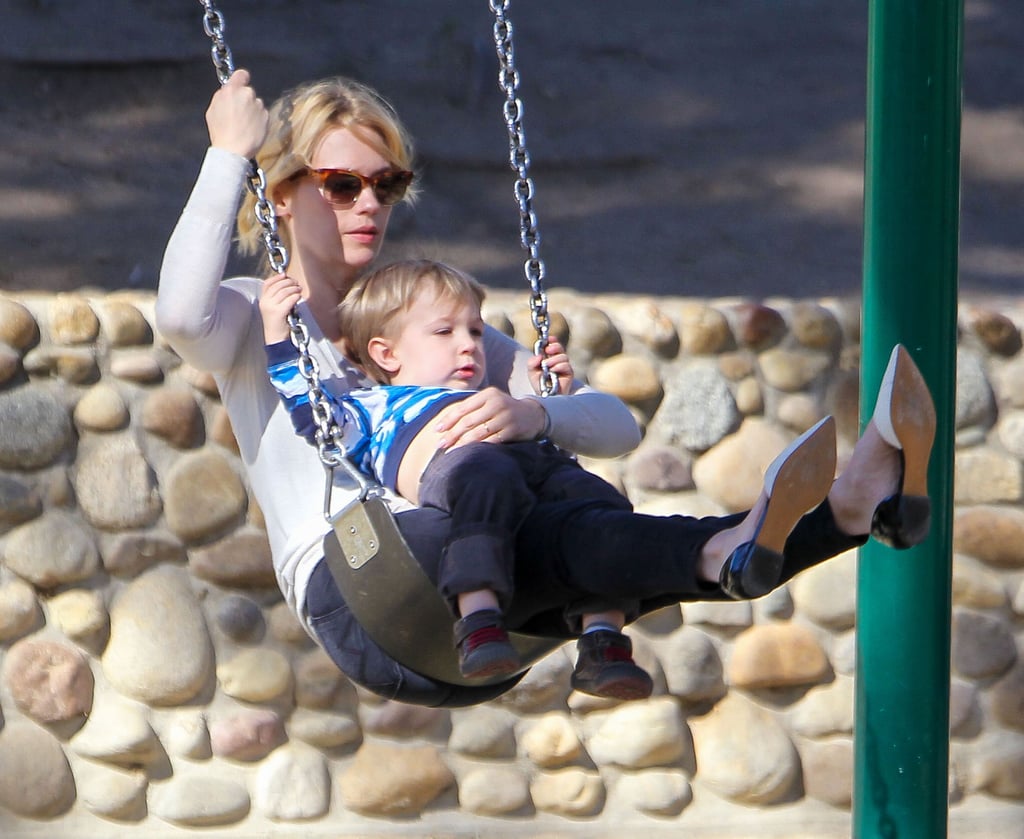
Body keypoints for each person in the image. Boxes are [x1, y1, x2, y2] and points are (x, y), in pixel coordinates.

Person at [157, 70, 938, 708]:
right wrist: (228, 151)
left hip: (483, 608)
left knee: (584, 525)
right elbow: (178, 314)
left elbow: (614, 426)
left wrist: (534, 408)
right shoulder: (251, 318)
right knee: (528, 517)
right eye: (339, 184)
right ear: (281, 193)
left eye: (386, 184)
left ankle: (836, 513)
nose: (369, 204)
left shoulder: (433, 328)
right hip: (366, 589)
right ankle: (775, 531)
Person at [261, 258, 655, 698]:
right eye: (446, 332)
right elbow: (314, 416)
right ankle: (479, 620)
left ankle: (603, 640)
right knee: (486, 479)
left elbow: (552, 458)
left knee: (595, 498)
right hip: (471, 485)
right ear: (386, 354)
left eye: (476, 332)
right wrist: (279, 337)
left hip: (531, 481)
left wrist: (554, 402)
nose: (469, 345)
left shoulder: (496, 400)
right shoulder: (371, 406)